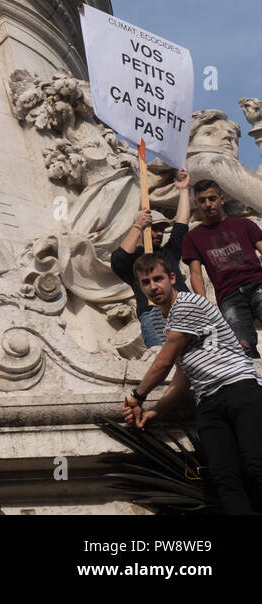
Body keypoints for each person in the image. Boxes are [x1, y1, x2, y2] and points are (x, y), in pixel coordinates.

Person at [123, 253, 262, 514]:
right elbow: (183, 376)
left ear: (172, 278)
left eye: (158, 279)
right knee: (224, 477)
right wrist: (158, 411)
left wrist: (137, 397)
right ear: (140, 288)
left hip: (239, 388)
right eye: (146, 282)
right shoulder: (169, 321)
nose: (153, 287)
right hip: (208, 402)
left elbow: (163, 362)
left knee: (256, 465)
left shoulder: (188, 304)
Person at [109, 169, 191, 346]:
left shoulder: (166, 253)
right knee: (163, 362)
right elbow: (119, 259)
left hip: (184, 310)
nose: (159, 233)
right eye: (154, 228)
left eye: (161, 229)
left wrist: (183, 190)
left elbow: (182, 224)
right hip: (153, 314)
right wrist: (138, 226)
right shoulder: (134, 261)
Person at [182, 180, 262, 357]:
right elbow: (196, 274)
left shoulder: (244, 225)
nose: (208, 204)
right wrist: (203, 304)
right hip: (228, 295)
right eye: (202, 200)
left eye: (212, 198)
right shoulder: (192, 238)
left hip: (257, 284)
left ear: (222, 199)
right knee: (243, 347)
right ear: (197, 203)